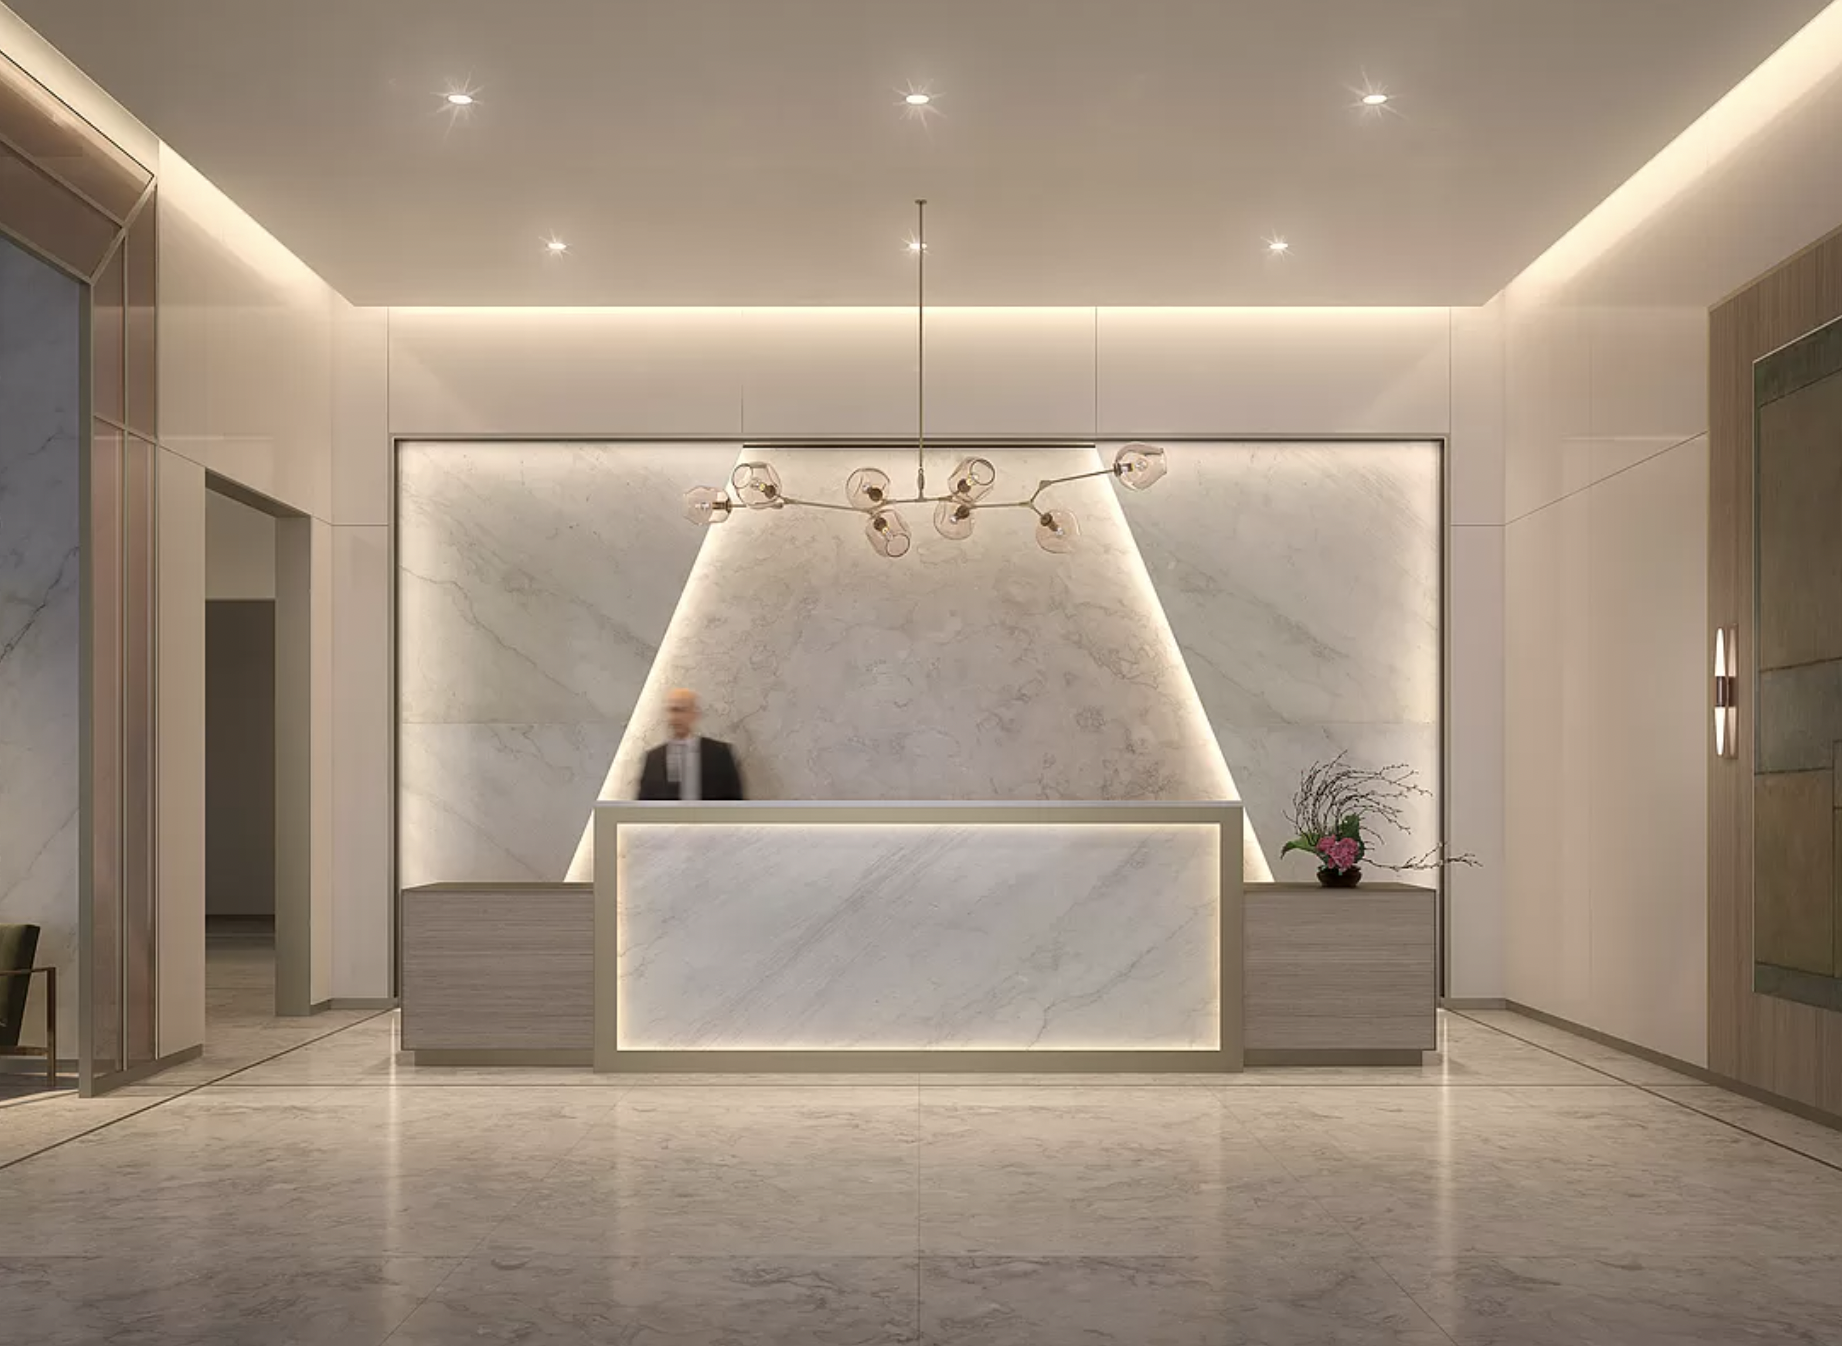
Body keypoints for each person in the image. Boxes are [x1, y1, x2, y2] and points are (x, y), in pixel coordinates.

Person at [637, 688, 745, 801]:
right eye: (672, 710)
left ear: (694, 714)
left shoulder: (720, 754)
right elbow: (643, 805)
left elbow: (735, 801)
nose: (675, 717)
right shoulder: (653, 759)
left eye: (681, 710)